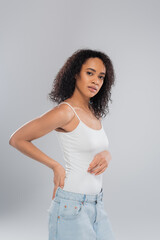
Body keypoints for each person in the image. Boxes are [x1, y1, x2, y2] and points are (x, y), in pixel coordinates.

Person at [9, 48, 116, 240]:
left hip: (96, 205)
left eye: (101, 76)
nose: (96, 81)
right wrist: (55, 166)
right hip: (71, 207)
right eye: (89, 73)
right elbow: (17, 139)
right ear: (76, 74)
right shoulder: (66, 112)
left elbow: (93, 147)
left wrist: (107, 155)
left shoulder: (93, 112)